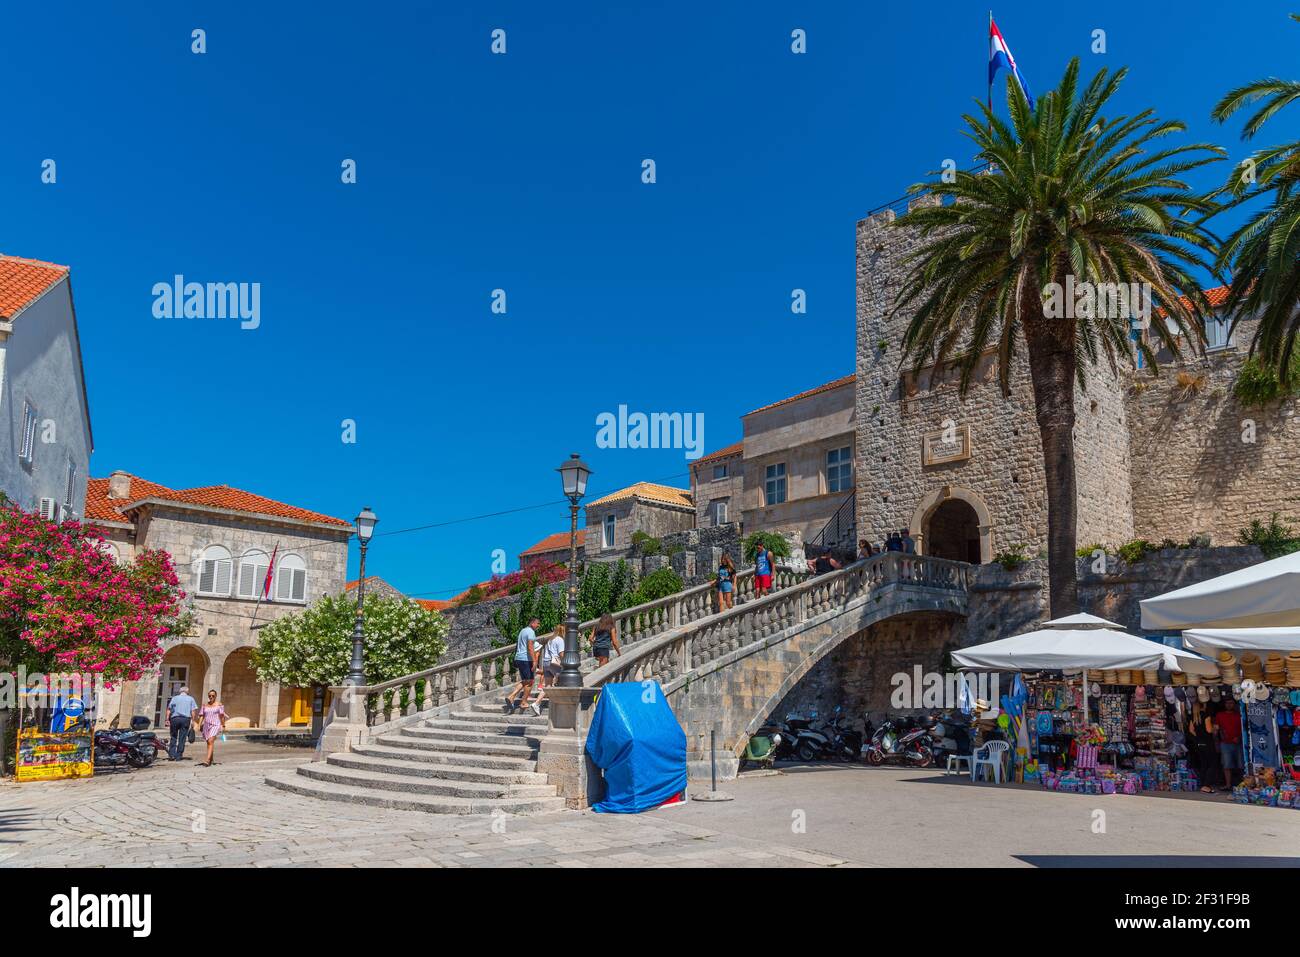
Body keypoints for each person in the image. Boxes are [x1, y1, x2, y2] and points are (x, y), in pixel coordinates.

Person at [504, 617, 541, 714]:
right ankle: (522, 701)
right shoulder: (530, 632)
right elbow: (530, 646)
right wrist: (534, 661)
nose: (538, 625)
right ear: (532, 623)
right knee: (530, 681)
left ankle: (513, 697)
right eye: (537, 623)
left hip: (519, 658)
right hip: (525, 659)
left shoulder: (522, 631)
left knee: (526, 680)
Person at [531, 626, 565, 716]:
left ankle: (536, 703)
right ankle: (560, 704)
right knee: (564, 680)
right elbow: (561, 654)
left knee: (548, 685)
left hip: (546, 663)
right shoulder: (560, 640)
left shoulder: (550, 640)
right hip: (554, 663)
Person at [1186, 709, 1222, 793]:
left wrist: (1198, 737)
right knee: (1213, 764)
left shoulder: (1193, 716)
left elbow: (1191, 730)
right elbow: (1209, 730)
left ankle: (1203, 784)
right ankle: (1206, 785)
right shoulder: (1206, 714)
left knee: (1204, 764)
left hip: (1199, 743)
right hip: (1207, 742)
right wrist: (1215, 728)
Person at [1215, 701, 1243, 791]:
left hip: (1238, 743)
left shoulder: (1239, 715)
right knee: (1226, 765)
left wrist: (1239, 737)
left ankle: (1243, 783)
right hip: (1225, 743)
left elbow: (1245, 729)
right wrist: (1216, 743)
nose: (1229, 705)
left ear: (1234, 704)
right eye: (1227, 703)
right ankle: (1228, 785)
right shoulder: (1220, 715)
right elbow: (1215, 730)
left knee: (1241, 765)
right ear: (1224, 704)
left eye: (1231, 703)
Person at [166, 685, 198, 761]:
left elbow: (169, 709)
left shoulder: (174, 698)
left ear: (180, 691)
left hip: (175, 719)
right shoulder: (191, 699)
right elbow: (193, 711)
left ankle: (172, 755)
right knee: (182, 738)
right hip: (185, 719)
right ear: (187, 691)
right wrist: (193, 721)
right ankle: (178, 756)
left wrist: (167, 719)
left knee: (173, 736)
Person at [197, 689, 227, 767]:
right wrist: (199, 725)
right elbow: (201, 715)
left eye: (213, 695)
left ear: (216, 696)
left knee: (210, 741)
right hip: (206, 725)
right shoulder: (205, 705)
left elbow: (222, 716)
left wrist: (223, 725)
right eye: (209, 695)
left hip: (215, 725)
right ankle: (211, 759)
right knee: (209, 742)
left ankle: (207, 760)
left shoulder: (219, 705)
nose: (211, 697)